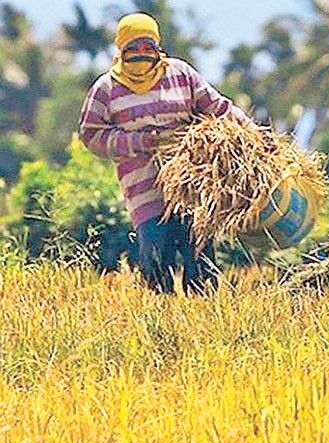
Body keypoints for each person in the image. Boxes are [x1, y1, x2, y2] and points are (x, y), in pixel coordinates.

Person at [79, 12, 254, 294]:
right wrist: (140, 142)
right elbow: (91, 135)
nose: (141, 53)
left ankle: (203, 320)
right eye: (133, 48)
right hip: (143, 189)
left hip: (191, 185)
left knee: (200, 256)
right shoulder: (106, 88)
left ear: (158, 47)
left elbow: (218, 108)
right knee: (156, 256)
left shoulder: (180, 74)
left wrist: (253, 131)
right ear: (121, 50)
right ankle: (161, 321)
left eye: (148, 46)